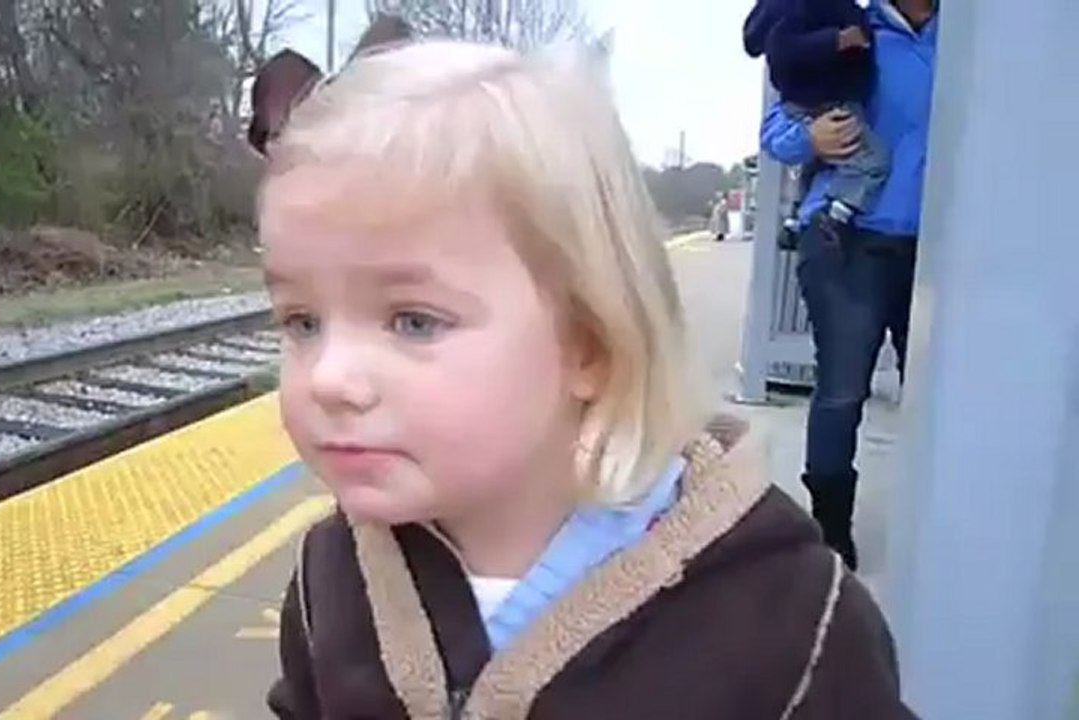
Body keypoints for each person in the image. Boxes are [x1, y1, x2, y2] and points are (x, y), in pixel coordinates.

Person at [253, 20, 918, 720]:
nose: (328, 378)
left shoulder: (792, 624)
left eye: (413, 321)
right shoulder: (331, 576)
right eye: (301, 321)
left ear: (590, 344)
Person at [760, 0, 937, 570]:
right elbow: (776, 130)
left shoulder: (971, 50)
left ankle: (941, 520)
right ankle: (831, 531)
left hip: (940, 250)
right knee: (842, 390)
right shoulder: (852, 31)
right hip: (846, 240)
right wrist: (810, 136)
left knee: (937, 396)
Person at [744, 0, 891, 243]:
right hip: (835, 239)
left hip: (920, 235)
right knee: (875, 161)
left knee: (816, 168)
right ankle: (833, 217)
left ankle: (798, 218)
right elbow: (772, 134)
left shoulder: (950, 34)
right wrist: (808, 139)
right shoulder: (812, 11)